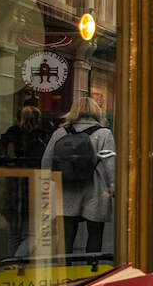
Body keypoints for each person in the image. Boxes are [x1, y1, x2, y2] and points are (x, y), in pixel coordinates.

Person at [42, 97, 116, 255]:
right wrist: (114, 188)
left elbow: (46, 162)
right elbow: (110, 164)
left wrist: (49, 187)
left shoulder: (60, 132)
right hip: (96, 190)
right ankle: (90, 273)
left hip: (65, 189)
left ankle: (66, 275)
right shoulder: (104, 133)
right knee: (95, 234)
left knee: (66, 236)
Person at [0, 106, 50, 257]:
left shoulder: (5, 140)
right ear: (38, 121)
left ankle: (15, 269)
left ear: (17, 119)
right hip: (33, 191)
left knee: (14, 235)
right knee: (30, 235)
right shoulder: (43, 141)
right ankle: (15, 265)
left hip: (8, 191)